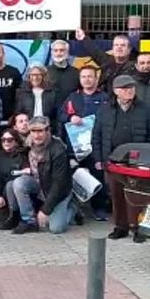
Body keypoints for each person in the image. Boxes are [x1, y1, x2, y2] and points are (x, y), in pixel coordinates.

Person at [92, 75, 150, 242]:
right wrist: (98, 158)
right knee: (116, 194)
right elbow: (97, 135)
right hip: (113, 160)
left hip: (137, 161)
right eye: (125, 88)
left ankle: (138, 228)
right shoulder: (105, 109)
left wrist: (148, 157)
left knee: (137, 195)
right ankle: (121, 226)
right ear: (116, 91)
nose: (129, 90)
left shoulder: (145, 108)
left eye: (131, 87)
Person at [6, 116, 75, 235]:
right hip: (39, 184)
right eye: (33, 131)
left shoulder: (58, 150)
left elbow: (58, 183)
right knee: (17, 183)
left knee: (55, 228)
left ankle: (73, 209)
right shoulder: (27, 144)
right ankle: (29, 221)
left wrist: (45, 210)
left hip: (59, 191)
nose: (36, 135)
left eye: (40, 131)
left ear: (48, 131)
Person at [58, 65, 110, 220]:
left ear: (96, 79)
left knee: (97, 176)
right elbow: (61, 116)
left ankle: (99, 208)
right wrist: (70, 118)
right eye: (84, 77)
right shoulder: (72, 97)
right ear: (80, 80)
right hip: (76, 147)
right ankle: (76, 209)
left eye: (90, 76)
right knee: (73, 177)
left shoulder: (105, 98)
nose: (87, 79)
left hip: (96, 146)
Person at [74, 28, 138, 94]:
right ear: (112, 48)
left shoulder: (135, 67)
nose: (119, 47)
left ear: (129, 49)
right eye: (116, 45)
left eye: (123, 45)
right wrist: (83, 38)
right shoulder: (106, 60)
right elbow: (94, 50)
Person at [0, 128, 27, 228]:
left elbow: (24, 176)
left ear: (16, 141)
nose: (6, 142)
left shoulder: (23, 155)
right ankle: (7, 212)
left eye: (10, 140)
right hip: (2, 192)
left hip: (17, 191)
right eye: (3, 140)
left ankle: (15, 215)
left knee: (11, 184)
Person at [46, 39, 80, 109]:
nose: (58, 53)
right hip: (49, 113)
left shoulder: (76, 72)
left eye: (62, 50)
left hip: (71, 113)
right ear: (52, 53)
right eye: (55, 50)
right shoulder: (45, 72)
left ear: (67, 52)